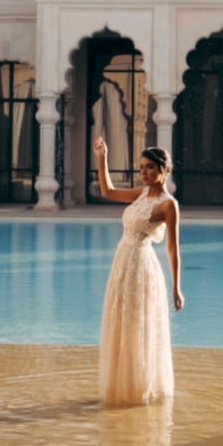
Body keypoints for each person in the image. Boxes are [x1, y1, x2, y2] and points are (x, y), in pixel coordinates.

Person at [94, 135, 184, 406]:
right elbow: (108, 191)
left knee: (138, 325)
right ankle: (122, 386)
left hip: (142, 269)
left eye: (150, 167)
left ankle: (140, 388)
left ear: (163, 170)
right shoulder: (141, 193)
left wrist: (176, 287)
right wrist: (102, 158)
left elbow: (172, 248)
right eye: (141, 167)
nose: (144, 172)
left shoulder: (169, 205)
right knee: (121, 322)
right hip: (122, 264)